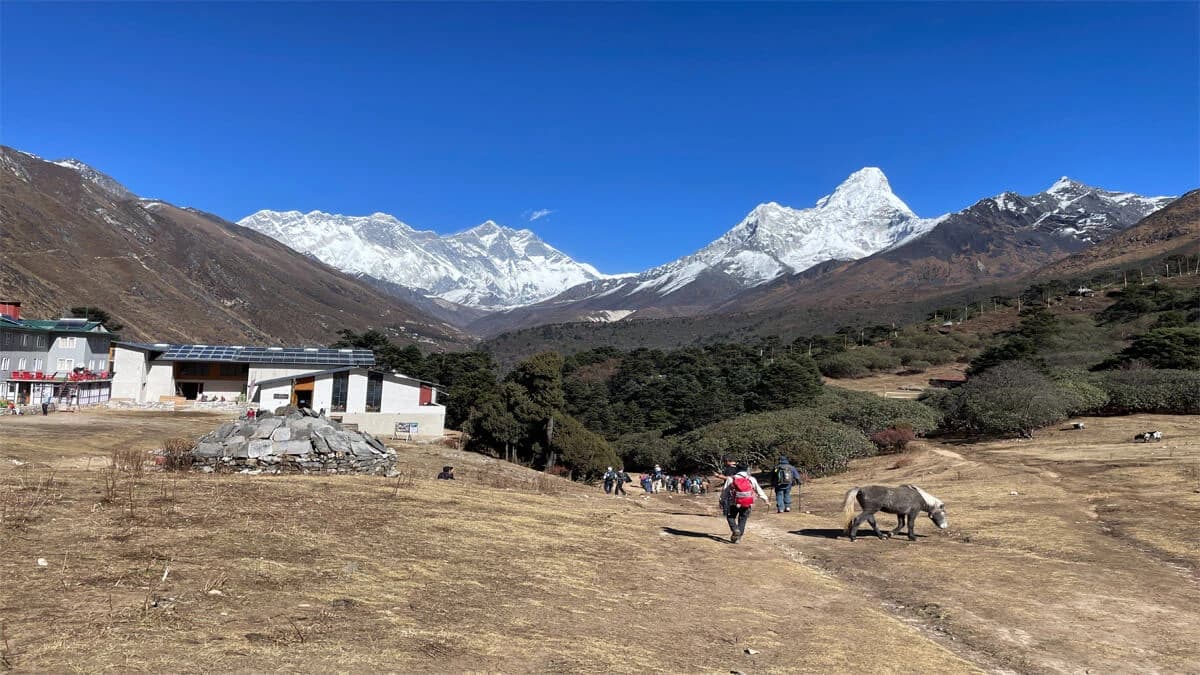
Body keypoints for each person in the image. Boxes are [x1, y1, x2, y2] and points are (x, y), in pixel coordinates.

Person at [719, 463, 770, 544]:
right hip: (747, 503)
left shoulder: (731, 478)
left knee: (730, 517)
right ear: (746, 469)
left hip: (733, 502)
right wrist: (766, 500)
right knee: (742, 519)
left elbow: (725, 491)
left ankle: (735, 529)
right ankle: (738, 538)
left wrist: (721, 500)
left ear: (737, 470)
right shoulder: (751, 479)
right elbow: (758, 489)